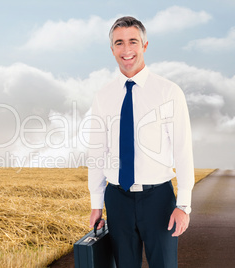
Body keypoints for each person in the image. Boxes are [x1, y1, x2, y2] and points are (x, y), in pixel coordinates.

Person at [88, 16, 194, 268]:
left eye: (133, 41)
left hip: (158, 199)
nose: (126, 50)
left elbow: (183, 150)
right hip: (117, 199)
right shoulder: (103, 96)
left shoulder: (169, 92)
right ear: (112, 49)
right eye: (119, 43)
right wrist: (96, 204)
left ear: (144, 46)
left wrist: (184, 205)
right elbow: (97, 152)